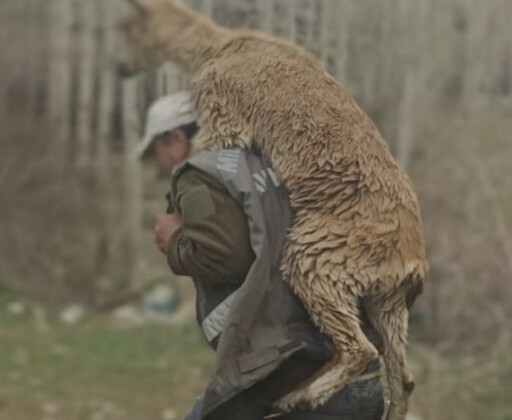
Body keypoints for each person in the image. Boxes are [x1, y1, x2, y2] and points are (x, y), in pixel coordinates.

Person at [143, 92, 386, 420]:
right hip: (358, 380)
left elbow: (224, 256)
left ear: (175, 138)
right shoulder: (274, 162)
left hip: (302, 384)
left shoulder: (198, 175)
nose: (158, 165)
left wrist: (175, 240)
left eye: (156, 151)